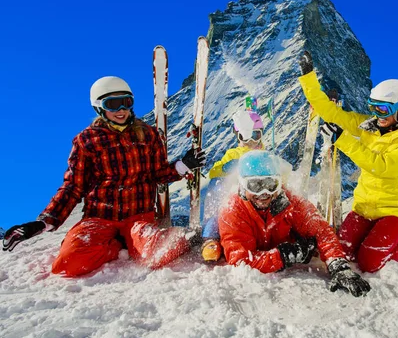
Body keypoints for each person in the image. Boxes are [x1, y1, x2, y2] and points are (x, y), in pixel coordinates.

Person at [2, 76, 206, 277]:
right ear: (99, 107)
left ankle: (161, 239)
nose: (122, 110)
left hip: (138, 216)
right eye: (113, 104)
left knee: (158, 253)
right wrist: (43, 223)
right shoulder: (87, 141)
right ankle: (117, 245)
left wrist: (183, 165)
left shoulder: (148, 134)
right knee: (67, 265)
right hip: (100, 218)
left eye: (126, 102)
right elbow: (73, 187)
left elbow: (158, 174)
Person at [297, 51, 398, 273]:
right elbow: (330, 112)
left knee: (369, 262)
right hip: (365, 206)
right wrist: (308, 77)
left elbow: (383, 166)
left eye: (383, 108)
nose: (378, 114)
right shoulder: (371, 126)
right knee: (343, 253)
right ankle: (377, 238)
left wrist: (344, 140)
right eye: (373, 107)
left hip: (395, 210)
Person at [219, 150, 371, 297]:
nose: (263, 193)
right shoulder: (233, 211)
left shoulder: (289, 202)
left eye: (270, 184)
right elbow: (241, 261)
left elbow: (321, 231)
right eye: (255, 186)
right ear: (242, 186)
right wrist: (284, 256)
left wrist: (338, 265)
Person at [199, 109, 266, 262]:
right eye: (245, 137)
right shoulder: (233, 154)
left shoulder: (264, 155)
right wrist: (225, 168)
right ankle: (211, 239)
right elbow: (213, 173)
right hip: (237, 202)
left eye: (255, 136)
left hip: (259, 201)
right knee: (217, 187)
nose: (250, 142)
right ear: (238, 137)